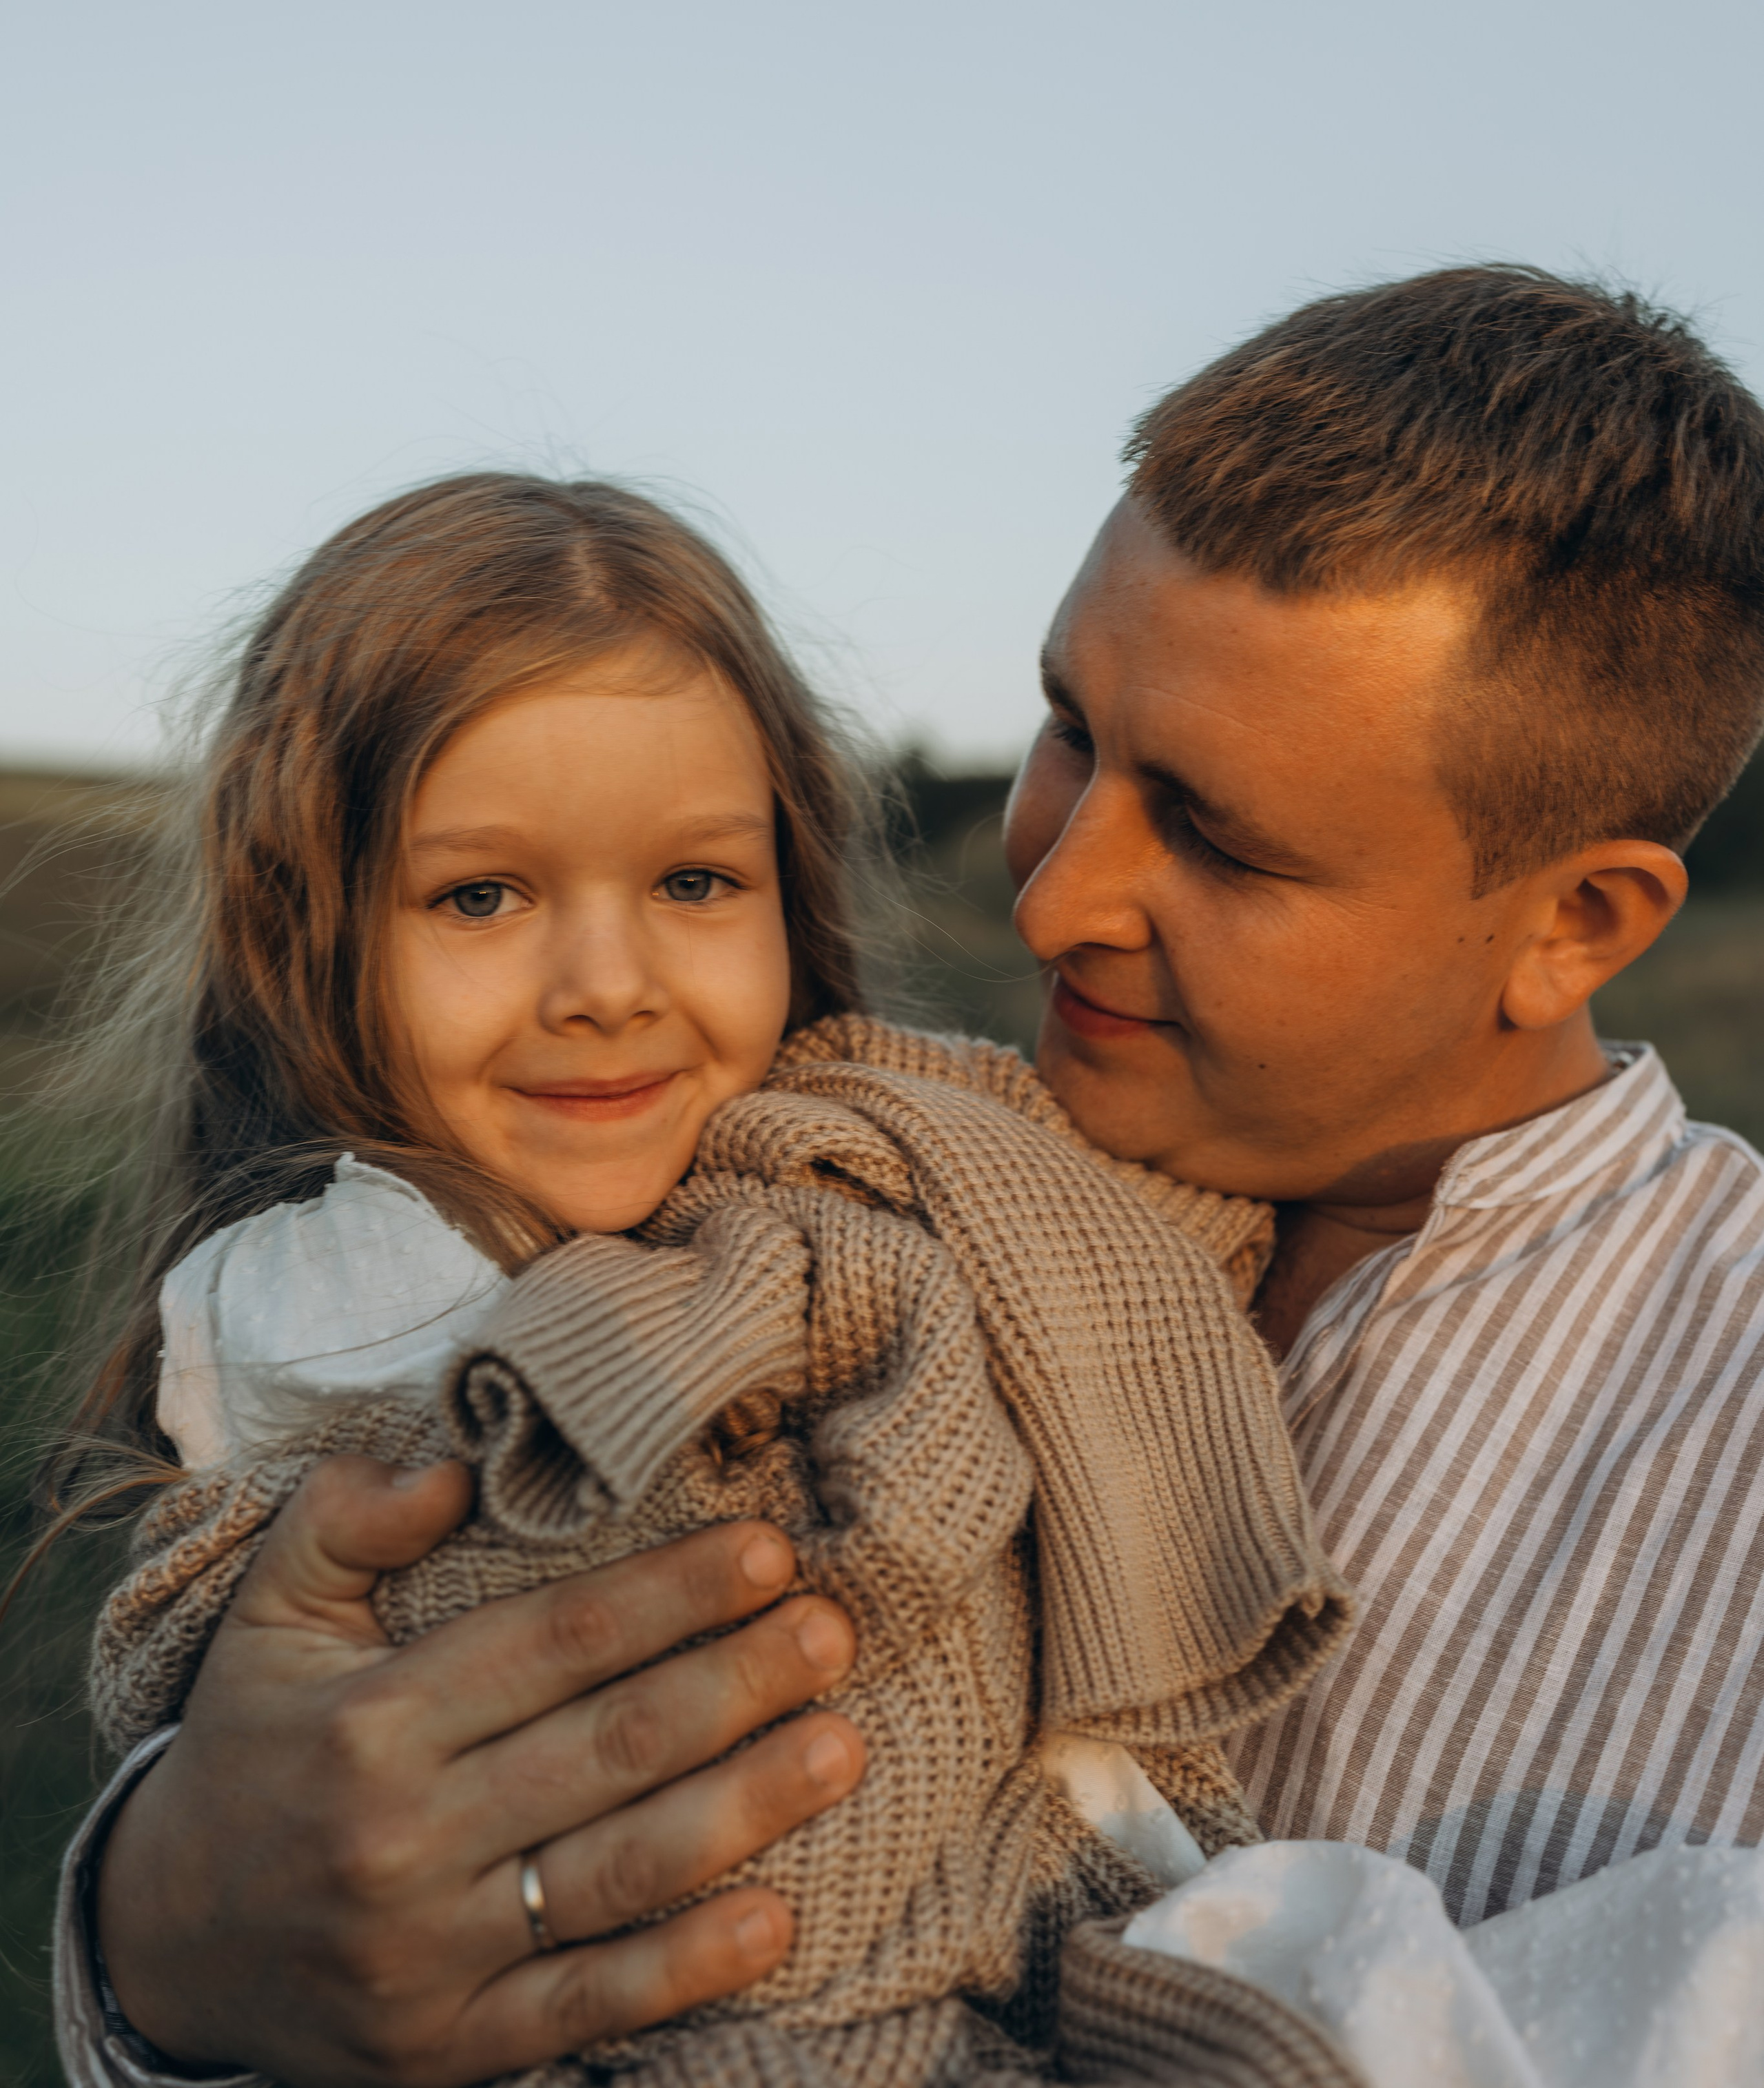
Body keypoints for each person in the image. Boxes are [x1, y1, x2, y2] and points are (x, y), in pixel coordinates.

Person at [67, 263, 1764, 2082]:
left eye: (1216, 838)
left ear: (1578, 923)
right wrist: (167, 1932)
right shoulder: (795, 1168)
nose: (1052, 897)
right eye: (1070, 731)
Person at [52, 470, 1348, 2088]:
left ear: (788, 894)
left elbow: (1124, 1246)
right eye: (479, 897)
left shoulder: (875, 1164)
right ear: (304, 936)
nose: (607, 987)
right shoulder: (337, 1304)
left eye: (691, 885)